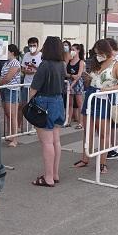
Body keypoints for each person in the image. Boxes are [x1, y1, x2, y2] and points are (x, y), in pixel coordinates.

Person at [74, 39, 118, 173]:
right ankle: (85, 158)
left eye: (100, 53)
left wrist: (110, 89)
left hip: (105, 98)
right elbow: (93, 79)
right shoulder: (96, 62)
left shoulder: (117, 64)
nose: (98, 55)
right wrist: (88, 79)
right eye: (96, 53)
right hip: (91, 96)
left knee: (104, 133)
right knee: (88, 131)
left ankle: (103, 163)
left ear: (106, 51)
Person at [29, 36, 66, 187]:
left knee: (46, 143)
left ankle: (48, 177)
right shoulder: (61, 64)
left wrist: (30, 103)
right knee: (55, 141)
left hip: (44, 102)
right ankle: (54, 174)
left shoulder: (45, 65)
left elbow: (33, 88)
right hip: (58, 102)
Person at [0, 44, 22, 147]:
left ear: (12, 52)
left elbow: (8, 78)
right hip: (5, 89)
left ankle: (15, 138)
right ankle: (10, 134)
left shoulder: (15, 63)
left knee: (12, 114)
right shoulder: (7, 63)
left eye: (6, 51)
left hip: (12, 90)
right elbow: (3, 76)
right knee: (8, 114)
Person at [65, 43, 85, 129]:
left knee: (79, 103)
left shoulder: (81, 62)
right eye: (71, 49)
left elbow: (79, 75)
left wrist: (72, 84)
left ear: (78, 51)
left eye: (74, 49)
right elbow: (65, 72)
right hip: (69, 82)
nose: (72, 51)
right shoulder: (69, 61)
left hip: (77, 83)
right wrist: (71, 76)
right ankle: (68, 120)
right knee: (69, 103)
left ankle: (81, 122)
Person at [21, 37, 42, 104]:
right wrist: (26, 71)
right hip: (26, 84)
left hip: (37, 85)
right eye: (30, 45)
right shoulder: (26, 55)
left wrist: (35, 70)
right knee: (24, 104)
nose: (32, 47)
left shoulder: (41, 56)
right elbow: (23, 68)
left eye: (34, 45)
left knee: (36, 104)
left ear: (37, 46)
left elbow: (43, 70)